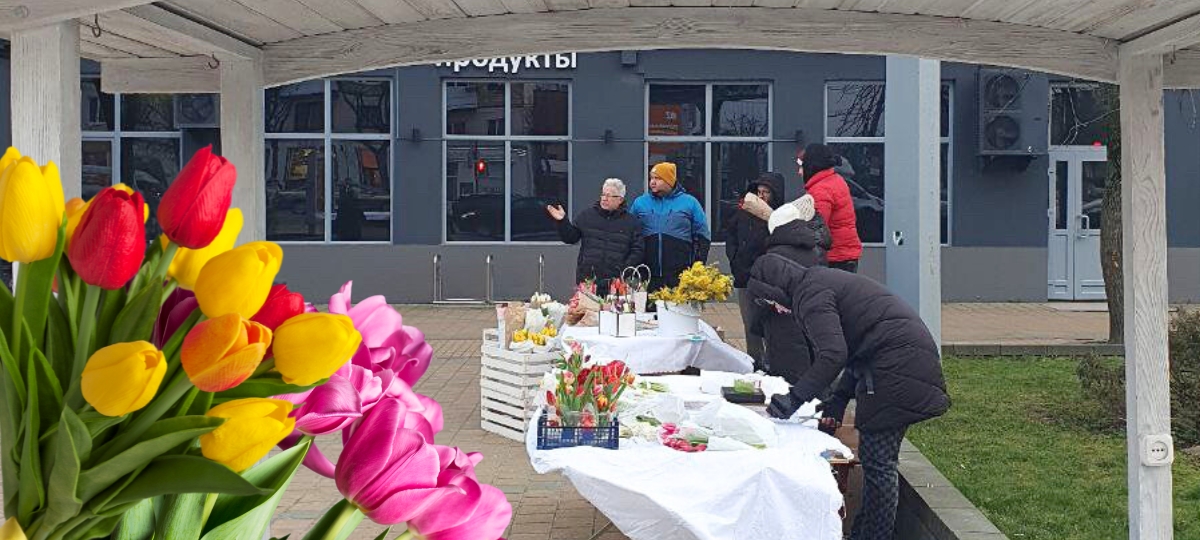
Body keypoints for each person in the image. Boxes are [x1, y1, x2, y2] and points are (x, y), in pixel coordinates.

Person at [763, 266, 950, 540]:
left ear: (777, 291)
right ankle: (864, 534)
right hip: (896, 363)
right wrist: (837, 401)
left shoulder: (809, 295)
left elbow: (833, 355)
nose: (779, 310)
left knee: (879, 464)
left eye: (773, 303)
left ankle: (875, 536)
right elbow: (855, 346)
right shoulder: (816, 283)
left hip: (899, 370)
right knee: (876, 462)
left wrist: (794, 399)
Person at [745, 195, 832, 380]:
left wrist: (759, 326)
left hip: (781, 330)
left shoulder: (769, 259)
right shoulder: (817, 252)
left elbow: (756, 301)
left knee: (787, 381)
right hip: (814, 325)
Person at [725, 172, 784, 368]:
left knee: (771, 323)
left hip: (769, 279)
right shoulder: (743, 213)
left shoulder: (779, 217)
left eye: (766, 192)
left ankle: (774, 362)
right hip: (744, 276)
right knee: (750, 323)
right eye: (759, 192)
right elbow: (731, 236)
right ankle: (755, 361)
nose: (761, 196)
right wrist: (734, 259)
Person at [546, 178, 643, 287]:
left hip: (616, 283)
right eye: (603, 194)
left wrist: (623, 272)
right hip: (588, 280)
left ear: (620, 200)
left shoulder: (631, 222)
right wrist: (562, 221)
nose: (604, 199)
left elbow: (637, 251)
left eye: (609, 196)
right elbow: (571, 238)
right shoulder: (587, 216)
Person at [630, 162, 710, 291]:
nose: (652, 182)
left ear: (669, 181)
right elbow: (630, 234)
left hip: (680, 276)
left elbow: (703, 236)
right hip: (647, 275)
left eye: (658, 178)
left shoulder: (690, 202)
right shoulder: (640, 203)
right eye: (651, 178)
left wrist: (697, 267)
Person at [798, 144, 862, 273]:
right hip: (845, 253)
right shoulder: (835, 180)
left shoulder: (820, 190)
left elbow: (816, 228)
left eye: (801, 166)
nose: (799, 172)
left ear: (811, 166)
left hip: (834, 257)